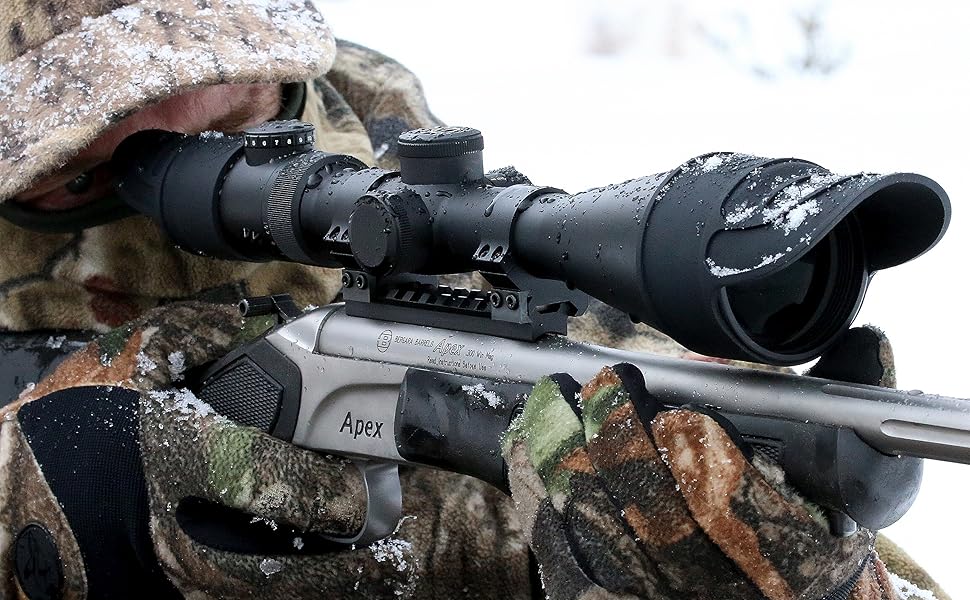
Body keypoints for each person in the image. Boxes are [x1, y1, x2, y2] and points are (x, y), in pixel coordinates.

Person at [0, 1, 949, 598]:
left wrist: (816, 579)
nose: (191, 146)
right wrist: (41, 508)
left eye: (242, 104)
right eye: (84, 166)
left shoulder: (440, 239)